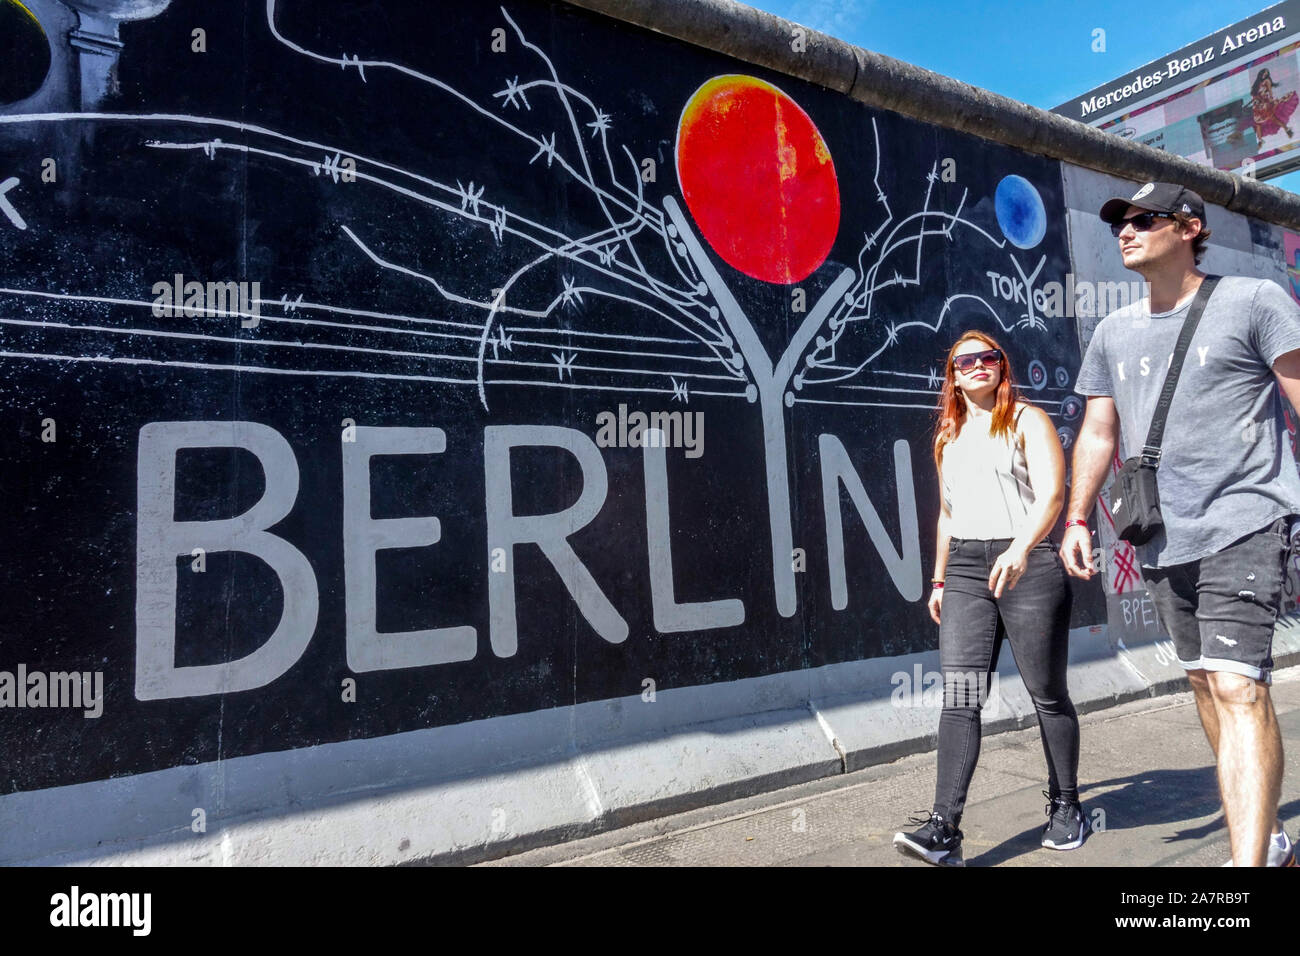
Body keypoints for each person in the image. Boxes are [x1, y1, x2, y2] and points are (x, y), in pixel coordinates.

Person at [1064, 181, 1300, 867]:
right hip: (1164, 537)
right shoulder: (1113, 332)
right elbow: (1098, 433)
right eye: (1118, 223)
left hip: (1247, 520)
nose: (1125, 232)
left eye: (1142, 220)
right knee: (1203, 681)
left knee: (1237, 684)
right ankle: (1273, 840)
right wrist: (1078, 518)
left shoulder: (1254, 301)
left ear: (1189, 227)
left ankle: (1245, 867)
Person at [893, 331, 1085, 866]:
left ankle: (1067, 805)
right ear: (952, 377)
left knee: (1047, 693)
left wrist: (1022, 548)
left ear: (1002, 367)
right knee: (961, 696)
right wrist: (938, 580)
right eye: (965, 362)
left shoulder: (1028, 420)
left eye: (988, 358)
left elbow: (1052, 494)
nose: (978, 366)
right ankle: (943, 828)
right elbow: (947, 516)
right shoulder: (946, 439)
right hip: (966, 572)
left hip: (1028, 563)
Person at [1250, 68, 1297, 143]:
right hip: (1257, 105)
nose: (1264, 75)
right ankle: (1260, 140)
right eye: (1263, 73)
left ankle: (1286, 129)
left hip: (1264, 103)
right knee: (1259, 122)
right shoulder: (1257, 83)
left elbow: (1270, 92)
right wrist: (1256, 99)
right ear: (1260, 73)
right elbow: (1254, 95)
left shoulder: (1267, 81)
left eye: (1266, 74)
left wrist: (1271, 101)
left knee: (1271, 118)